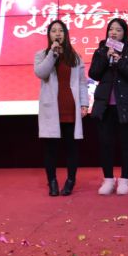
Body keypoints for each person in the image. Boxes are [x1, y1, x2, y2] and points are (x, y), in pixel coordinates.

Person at [88, 17, 128, 195]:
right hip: (105, 106)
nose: (114, 32)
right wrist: (106, 58)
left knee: (127, 144)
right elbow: (94, 74)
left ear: (124, 33)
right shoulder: (101, 50)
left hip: (126, 105)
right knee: (106, 144)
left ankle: (125, 180)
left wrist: (120, 61)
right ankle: (108, 180)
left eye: (118, 30)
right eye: (111, 29)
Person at [33, 20, 89, 196]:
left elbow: (82, 83)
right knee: (50, 149)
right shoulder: (42, 55)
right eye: (53, 31)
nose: (57, 33)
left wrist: (84, 103)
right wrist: (53, 54)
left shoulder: (75, 57)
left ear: (66, 34)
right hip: (52, 109)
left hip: (70, 108)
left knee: (72, 148)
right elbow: (41, 73)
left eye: (61, 31)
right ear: (49, 35)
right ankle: (52, 182)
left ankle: (71, 180)